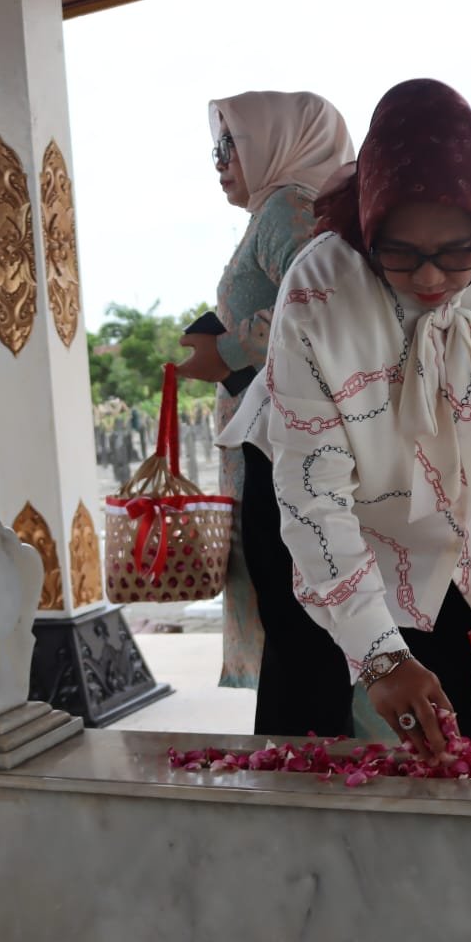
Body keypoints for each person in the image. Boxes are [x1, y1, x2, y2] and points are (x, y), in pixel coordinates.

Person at [221, 79, 471, 753]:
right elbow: (313, 495)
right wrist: (381, 657)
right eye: (399, 253)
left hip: (465, 508)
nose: (429, 279)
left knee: (462, 695)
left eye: (456, 255)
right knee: (319, 700)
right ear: (369, 225)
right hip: (324, 504)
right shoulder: (320, 290)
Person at [176, 91, 354, 691]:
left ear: (277, 141)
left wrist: (226, 352)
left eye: (232, 144)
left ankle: (306, 731)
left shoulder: (288, 206)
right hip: (269, 435)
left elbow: (316, 306)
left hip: (283, 443)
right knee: (289, 614)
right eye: (216, 147)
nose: (220, 161)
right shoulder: (278, 210)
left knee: (294, 616)